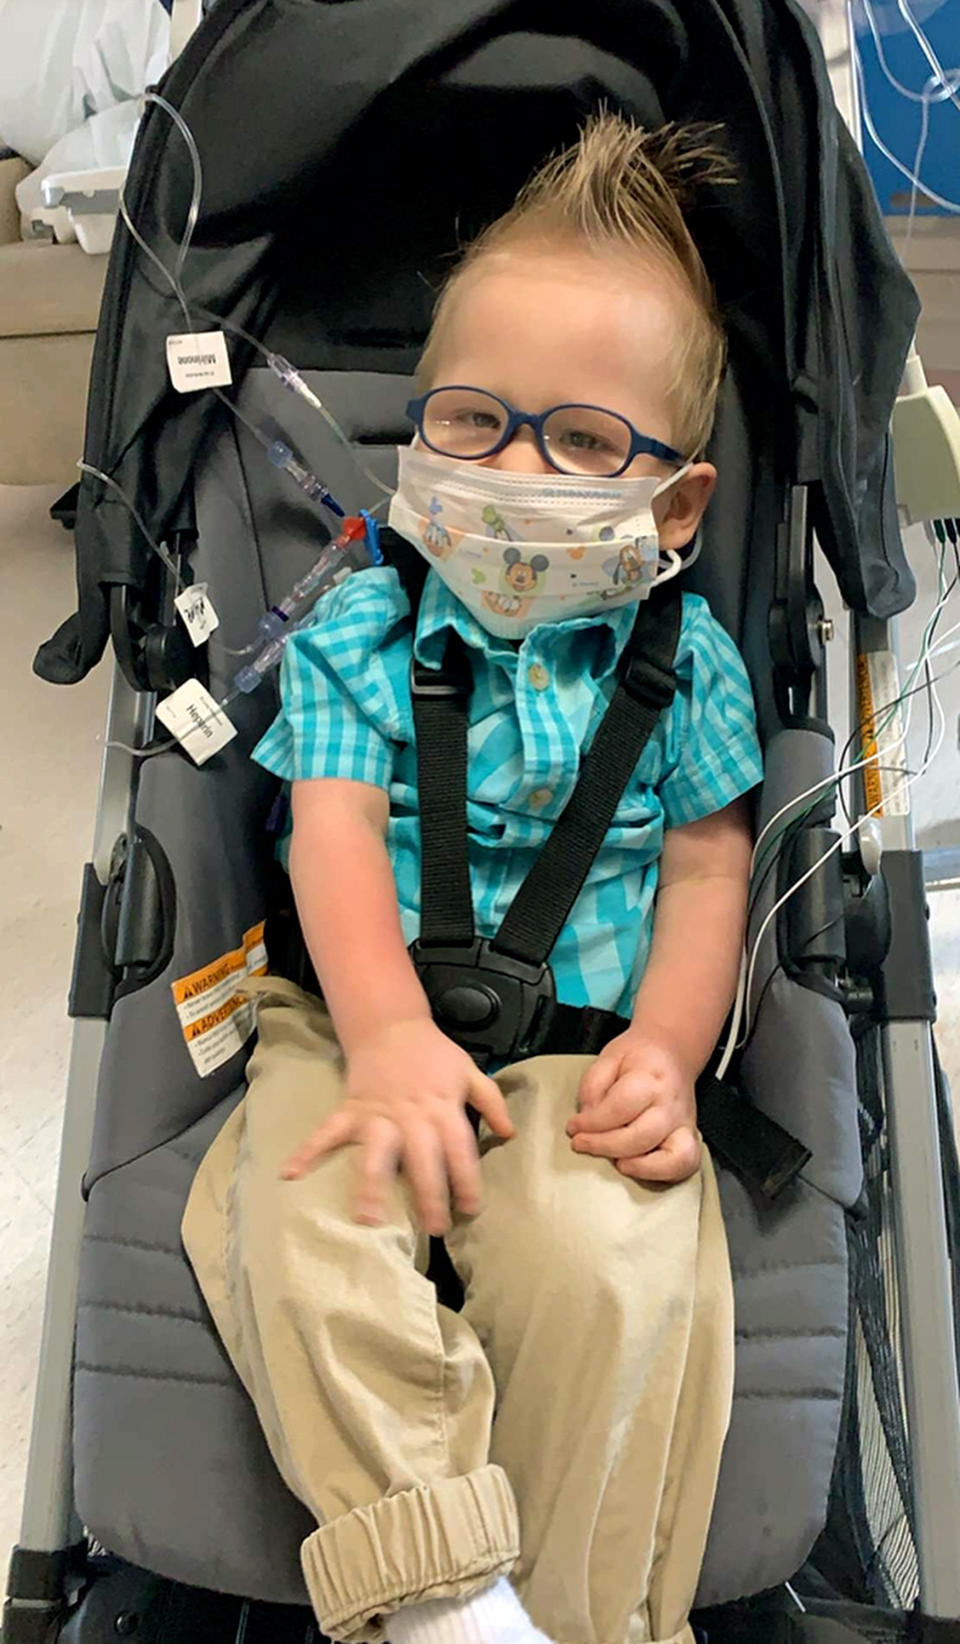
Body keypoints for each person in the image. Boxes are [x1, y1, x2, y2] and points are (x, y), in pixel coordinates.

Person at [182, 112, 764, 1644]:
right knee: (296, 1223)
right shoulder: (363, 631)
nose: (515, 470)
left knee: (611, 1278)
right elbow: (329, 836)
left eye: (581, 443)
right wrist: (378, 1035)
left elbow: (709, 867)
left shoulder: (682, 663)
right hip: (356, 1009)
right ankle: (442, 1600)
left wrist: (670, 1049)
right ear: (417, 430)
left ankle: (572, 1616)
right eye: (471, 421)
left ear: (677, 506)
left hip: (583, 1048)